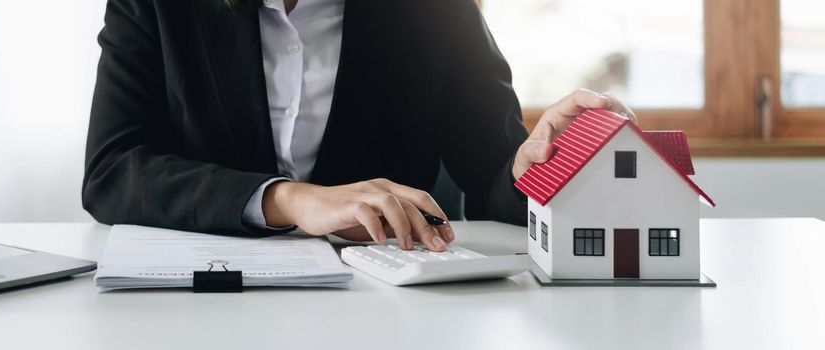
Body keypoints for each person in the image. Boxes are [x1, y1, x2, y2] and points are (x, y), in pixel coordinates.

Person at [83, 0, 636, 252]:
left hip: (385, 301)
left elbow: (495, 170)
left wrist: (537, 166)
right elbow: (112, 170)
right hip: (198, 298)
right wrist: (293, 200)